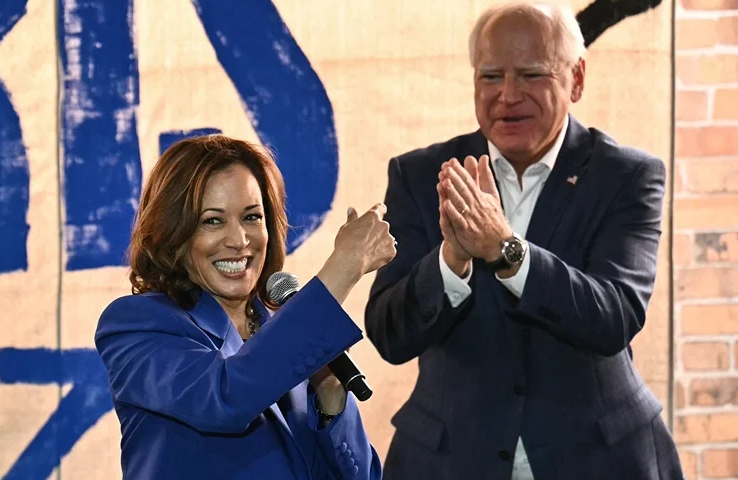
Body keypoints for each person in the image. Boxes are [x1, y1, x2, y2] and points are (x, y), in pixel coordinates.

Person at [364, 2, 685, 480]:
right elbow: (390, 335)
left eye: (531, 75)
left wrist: (507, 252)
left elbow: (614, 317)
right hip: (450, 459)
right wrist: (451, 261)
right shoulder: (420, 175)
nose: (507, 96)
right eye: (490, 77)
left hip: (599, 459)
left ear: (576, 78)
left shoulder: (627, 176)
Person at [95, 135, 392, 479]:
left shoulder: (290, 333)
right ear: (174, 232)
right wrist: (343, 267)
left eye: (252, 217)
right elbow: (226, 397)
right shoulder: (136, 324)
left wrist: (330, 402)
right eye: (212, 220)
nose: (239, 241)